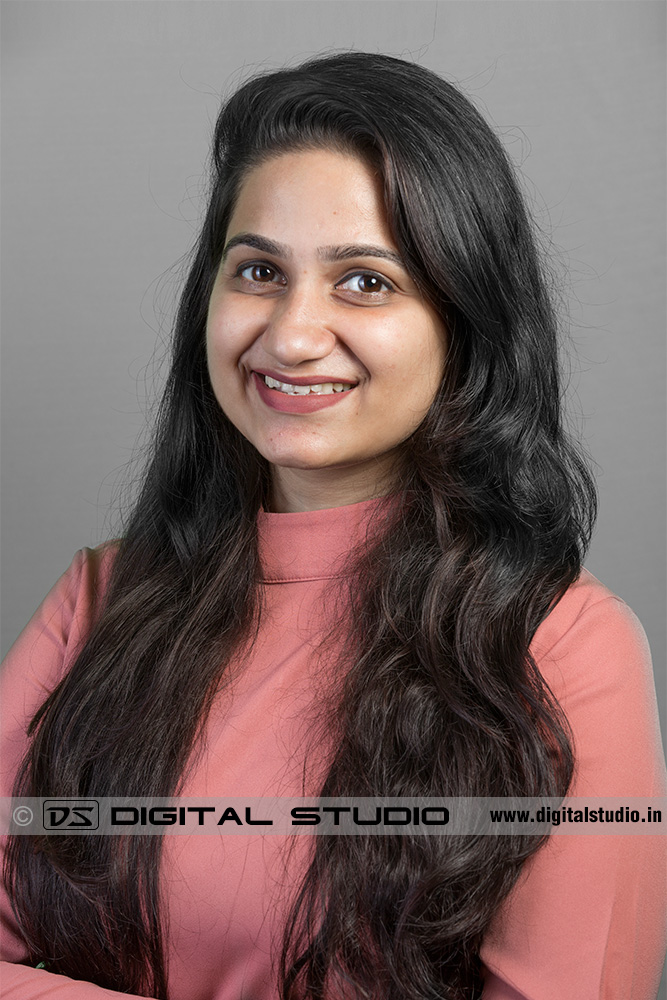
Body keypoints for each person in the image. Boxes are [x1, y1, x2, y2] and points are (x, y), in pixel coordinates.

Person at [1, 51, 665, 1000]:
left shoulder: (564, 648)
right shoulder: (100, 599)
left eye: (365, 282)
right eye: (259, 270)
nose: (292, 334)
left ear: (463, 321)